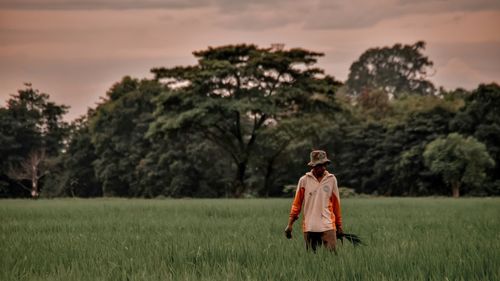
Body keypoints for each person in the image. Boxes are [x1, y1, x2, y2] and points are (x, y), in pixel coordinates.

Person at [284, 150, 343, 252]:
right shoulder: (304, 180)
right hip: (310, 227)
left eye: (325, 164)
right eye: (320, 165)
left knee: (332, 258)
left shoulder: (331, 179)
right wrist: (290, 225)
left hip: (328, 225)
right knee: (312, 261)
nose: (323, 167)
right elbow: (296, 204)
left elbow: (336, 204)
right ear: (313, 166)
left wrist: (339, 225)